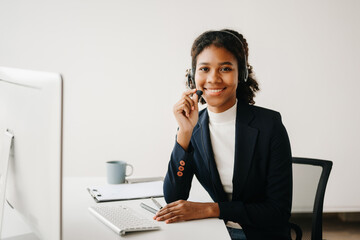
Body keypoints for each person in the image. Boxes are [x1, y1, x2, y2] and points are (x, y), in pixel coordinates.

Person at [154, 29, 293, 240]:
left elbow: (278, 212)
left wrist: (212, 209)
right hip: (215, 232)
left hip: (259, 234)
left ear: (242, 74)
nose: (213, 78)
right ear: (193, 76)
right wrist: (184, 132)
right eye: (204, 69)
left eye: (225, 68)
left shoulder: (269, 125)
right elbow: (174, 198)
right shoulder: (194, 127)